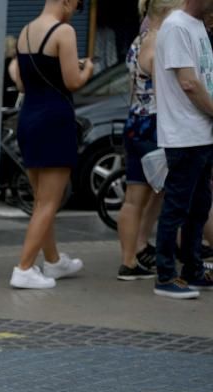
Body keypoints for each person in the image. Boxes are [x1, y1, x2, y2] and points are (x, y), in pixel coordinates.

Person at [7, 0, 91, 289]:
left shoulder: (25, 32)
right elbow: (73, 81)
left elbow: (21, 83)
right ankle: (25, 268)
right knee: (49, 202)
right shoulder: (64, 32)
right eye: (77, 5)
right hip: (55, 119)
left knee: (41, 199)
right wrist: (88, 68)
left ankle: (53, 261)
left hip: (28, 118)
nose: (75, 11)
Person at [151, 0, 213, 298]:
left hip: (200, 133)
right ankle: (165, 275)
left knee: (199, 206)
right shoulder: (176, 26)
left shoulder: (196, 25)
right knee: (177, 207)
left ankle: (193, 270)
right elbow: (189, 82)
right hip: (184, 134)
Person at [116, 0, 178, 282]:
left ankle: (129, 259)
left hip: (135, 121)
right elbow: (171, 87)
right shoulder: (160, 43)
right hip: (155, 124)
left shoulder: (137, 41)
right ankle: (138, 255)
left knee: (135, 197)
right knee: (164, 191)